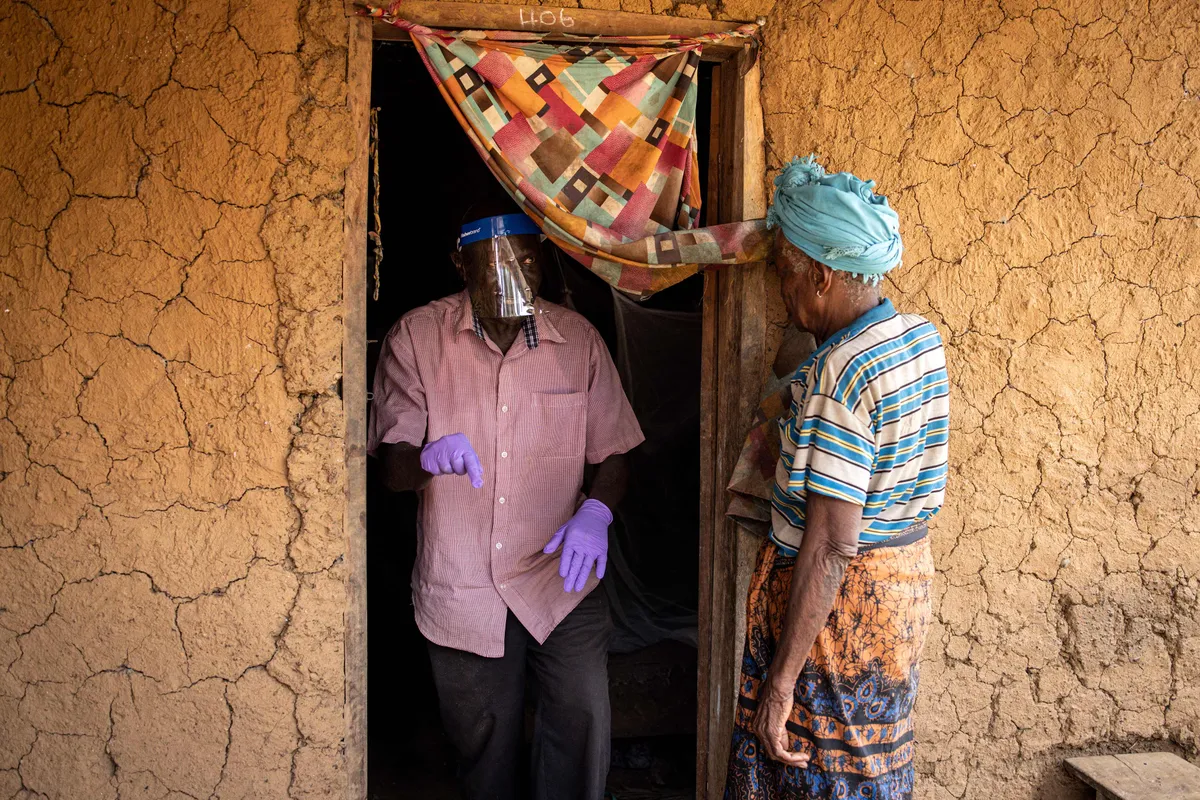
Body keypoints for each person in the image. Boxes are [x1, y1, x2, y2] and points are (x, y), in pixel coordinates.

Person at [368, 205, 644, 800]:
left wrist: (595, 514)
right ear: (458, 267)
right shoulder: (417, 338)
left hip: (559, 579)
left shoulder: (578, 342)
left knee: (581, 724)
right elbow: (390, 469)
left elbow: (615, 453)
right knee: (484, 754)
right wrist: (426, 457)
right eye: (493, 263)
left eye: (525, 260)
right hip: (463, 587)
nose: (513, 275)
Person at [724, 155, 949, 800]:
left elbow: (829, 546)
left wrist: (782, 684)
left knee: (807, 769)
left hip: (836, 619)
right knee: (869, 774)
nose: (780, 290)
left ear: (822, 276)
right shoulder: (918, 340)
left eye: (786, 274)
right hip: (897, 602)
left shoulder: (840, 377)